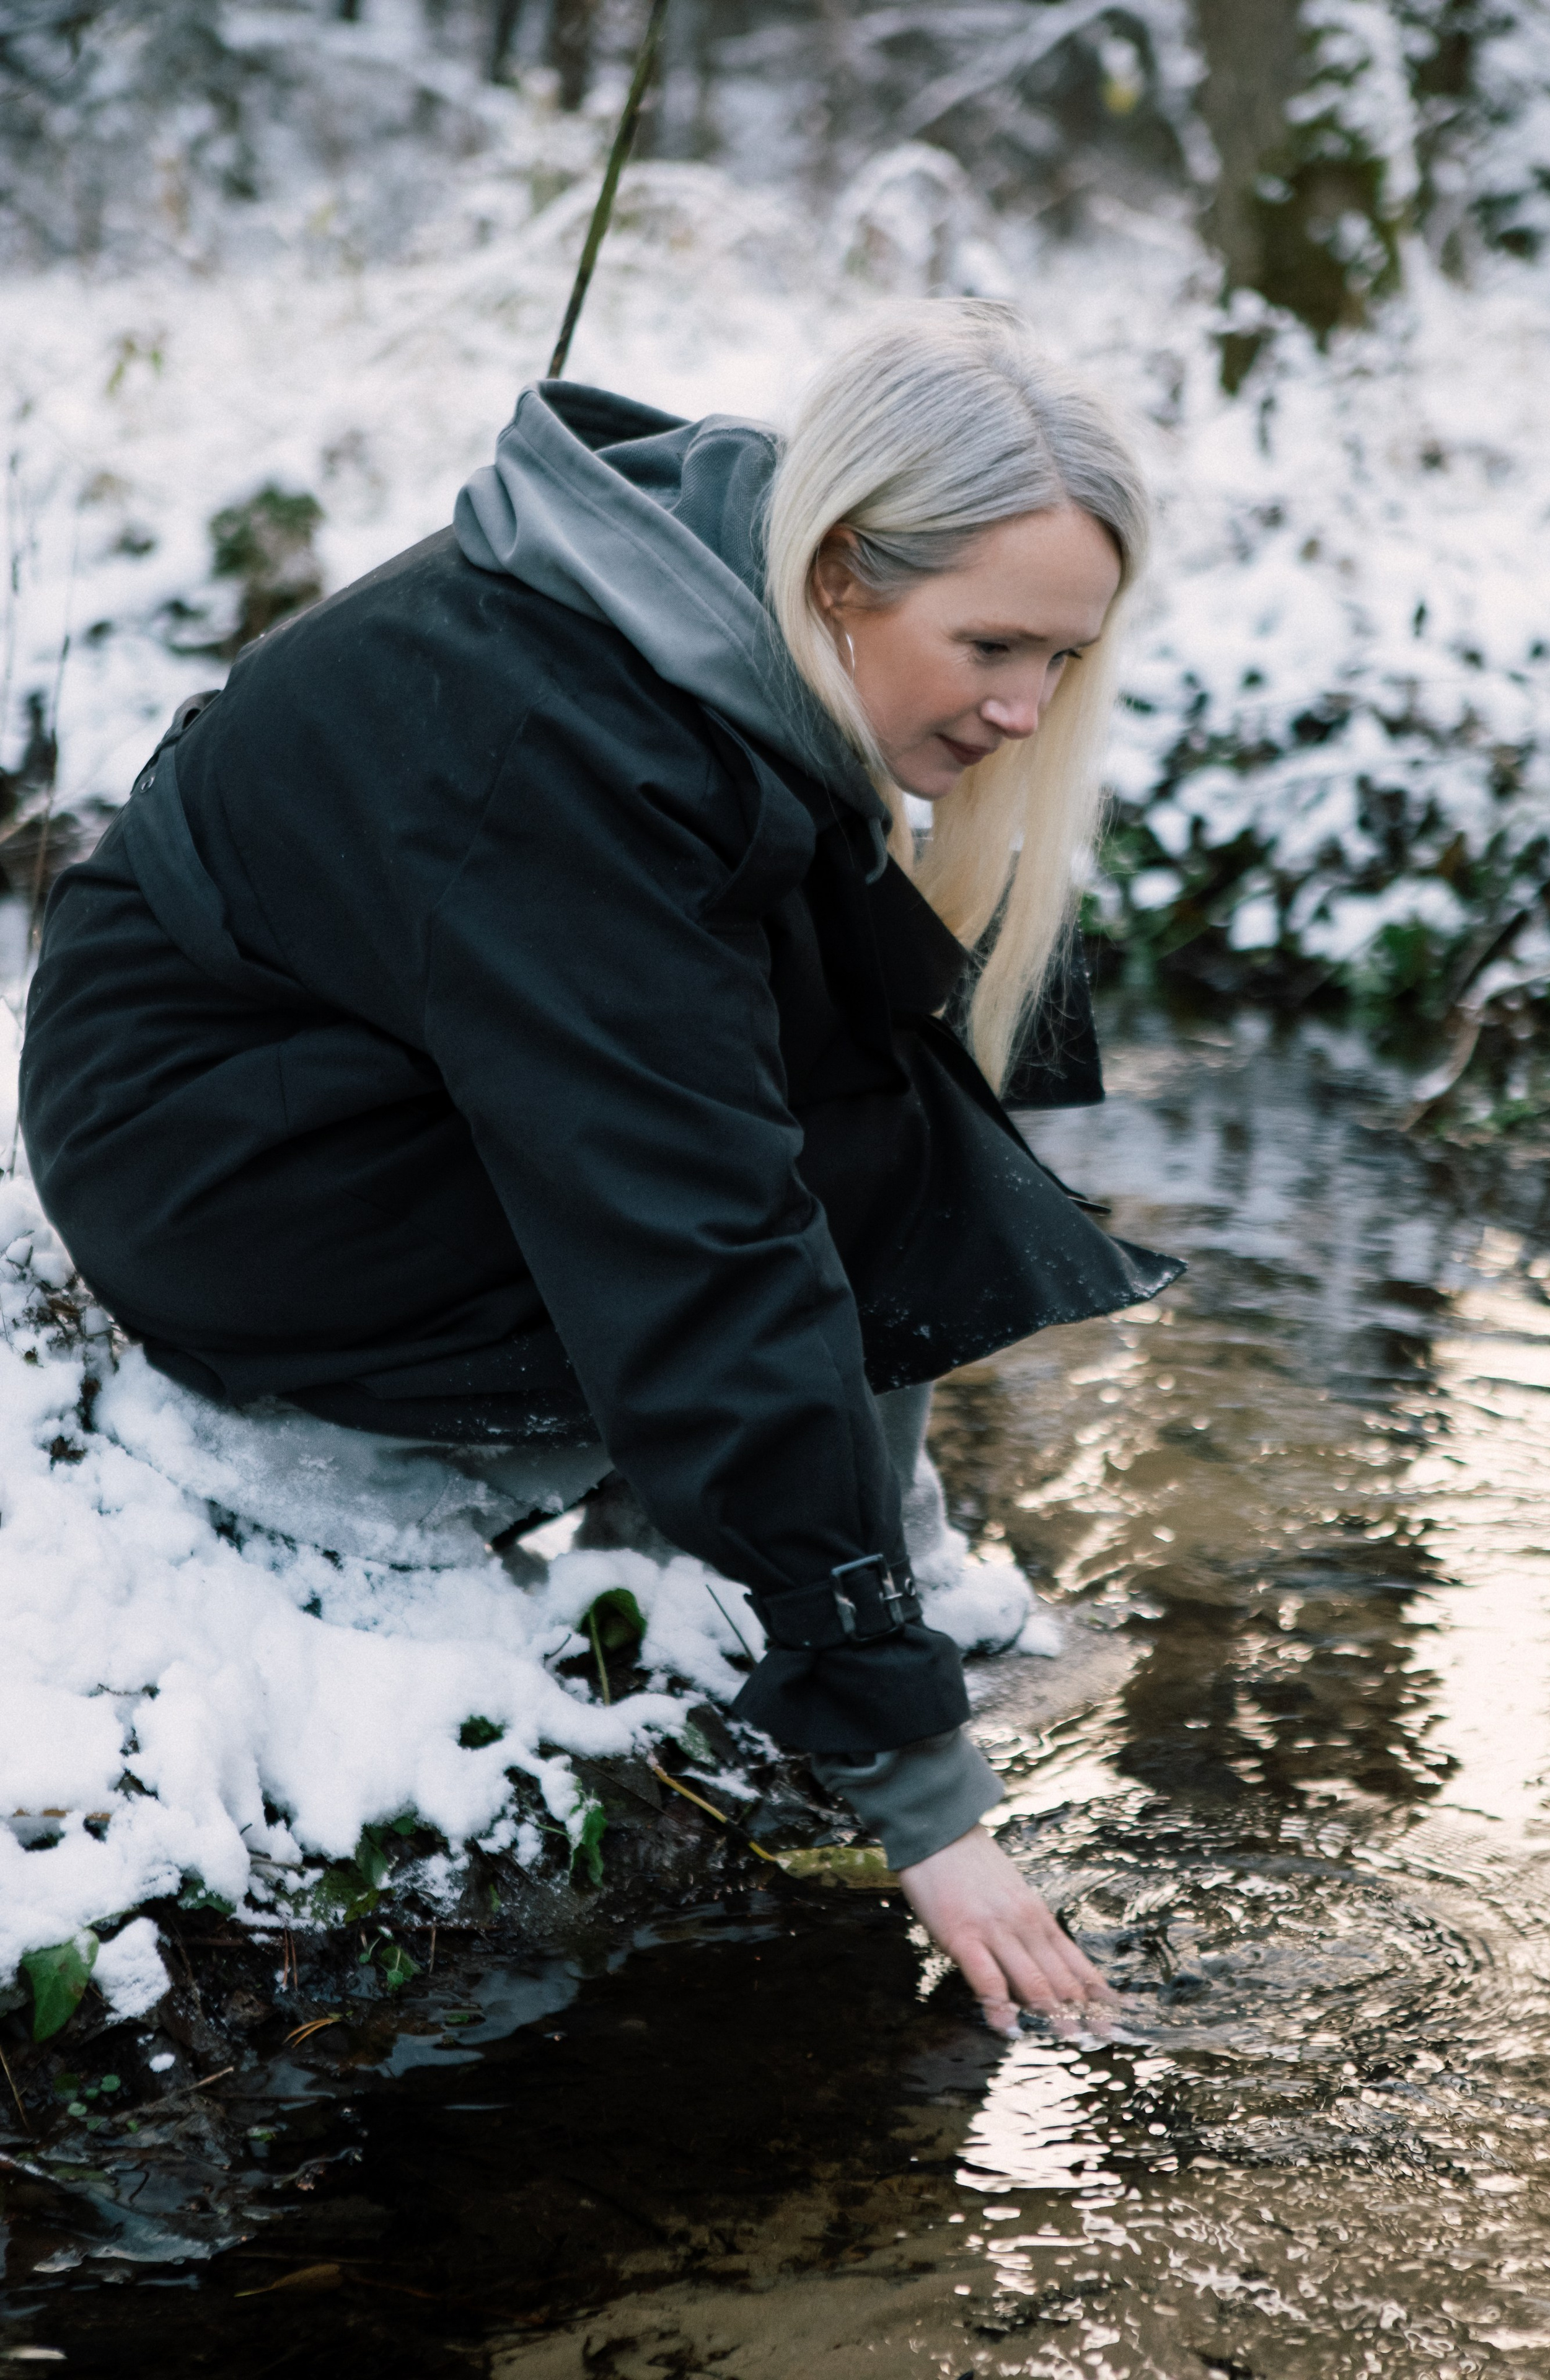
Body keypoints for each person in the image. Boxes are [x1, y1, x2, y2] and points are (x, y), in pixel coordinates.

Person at [20, 299, 1178, 2033]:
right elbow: (705, 1234)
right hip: (230, 1178)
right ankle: (416, 1488)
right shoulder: (575, 751)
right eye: (994, 646)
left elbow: (831, 1131)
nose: (1026, 709)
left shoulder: (722, 597)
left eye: (1063, 664)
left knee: (873, 1067)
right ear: (848, 569)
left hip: (342, 1085)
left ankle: (829, 1543)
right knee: (768, 1191)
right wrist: (909, 1766)